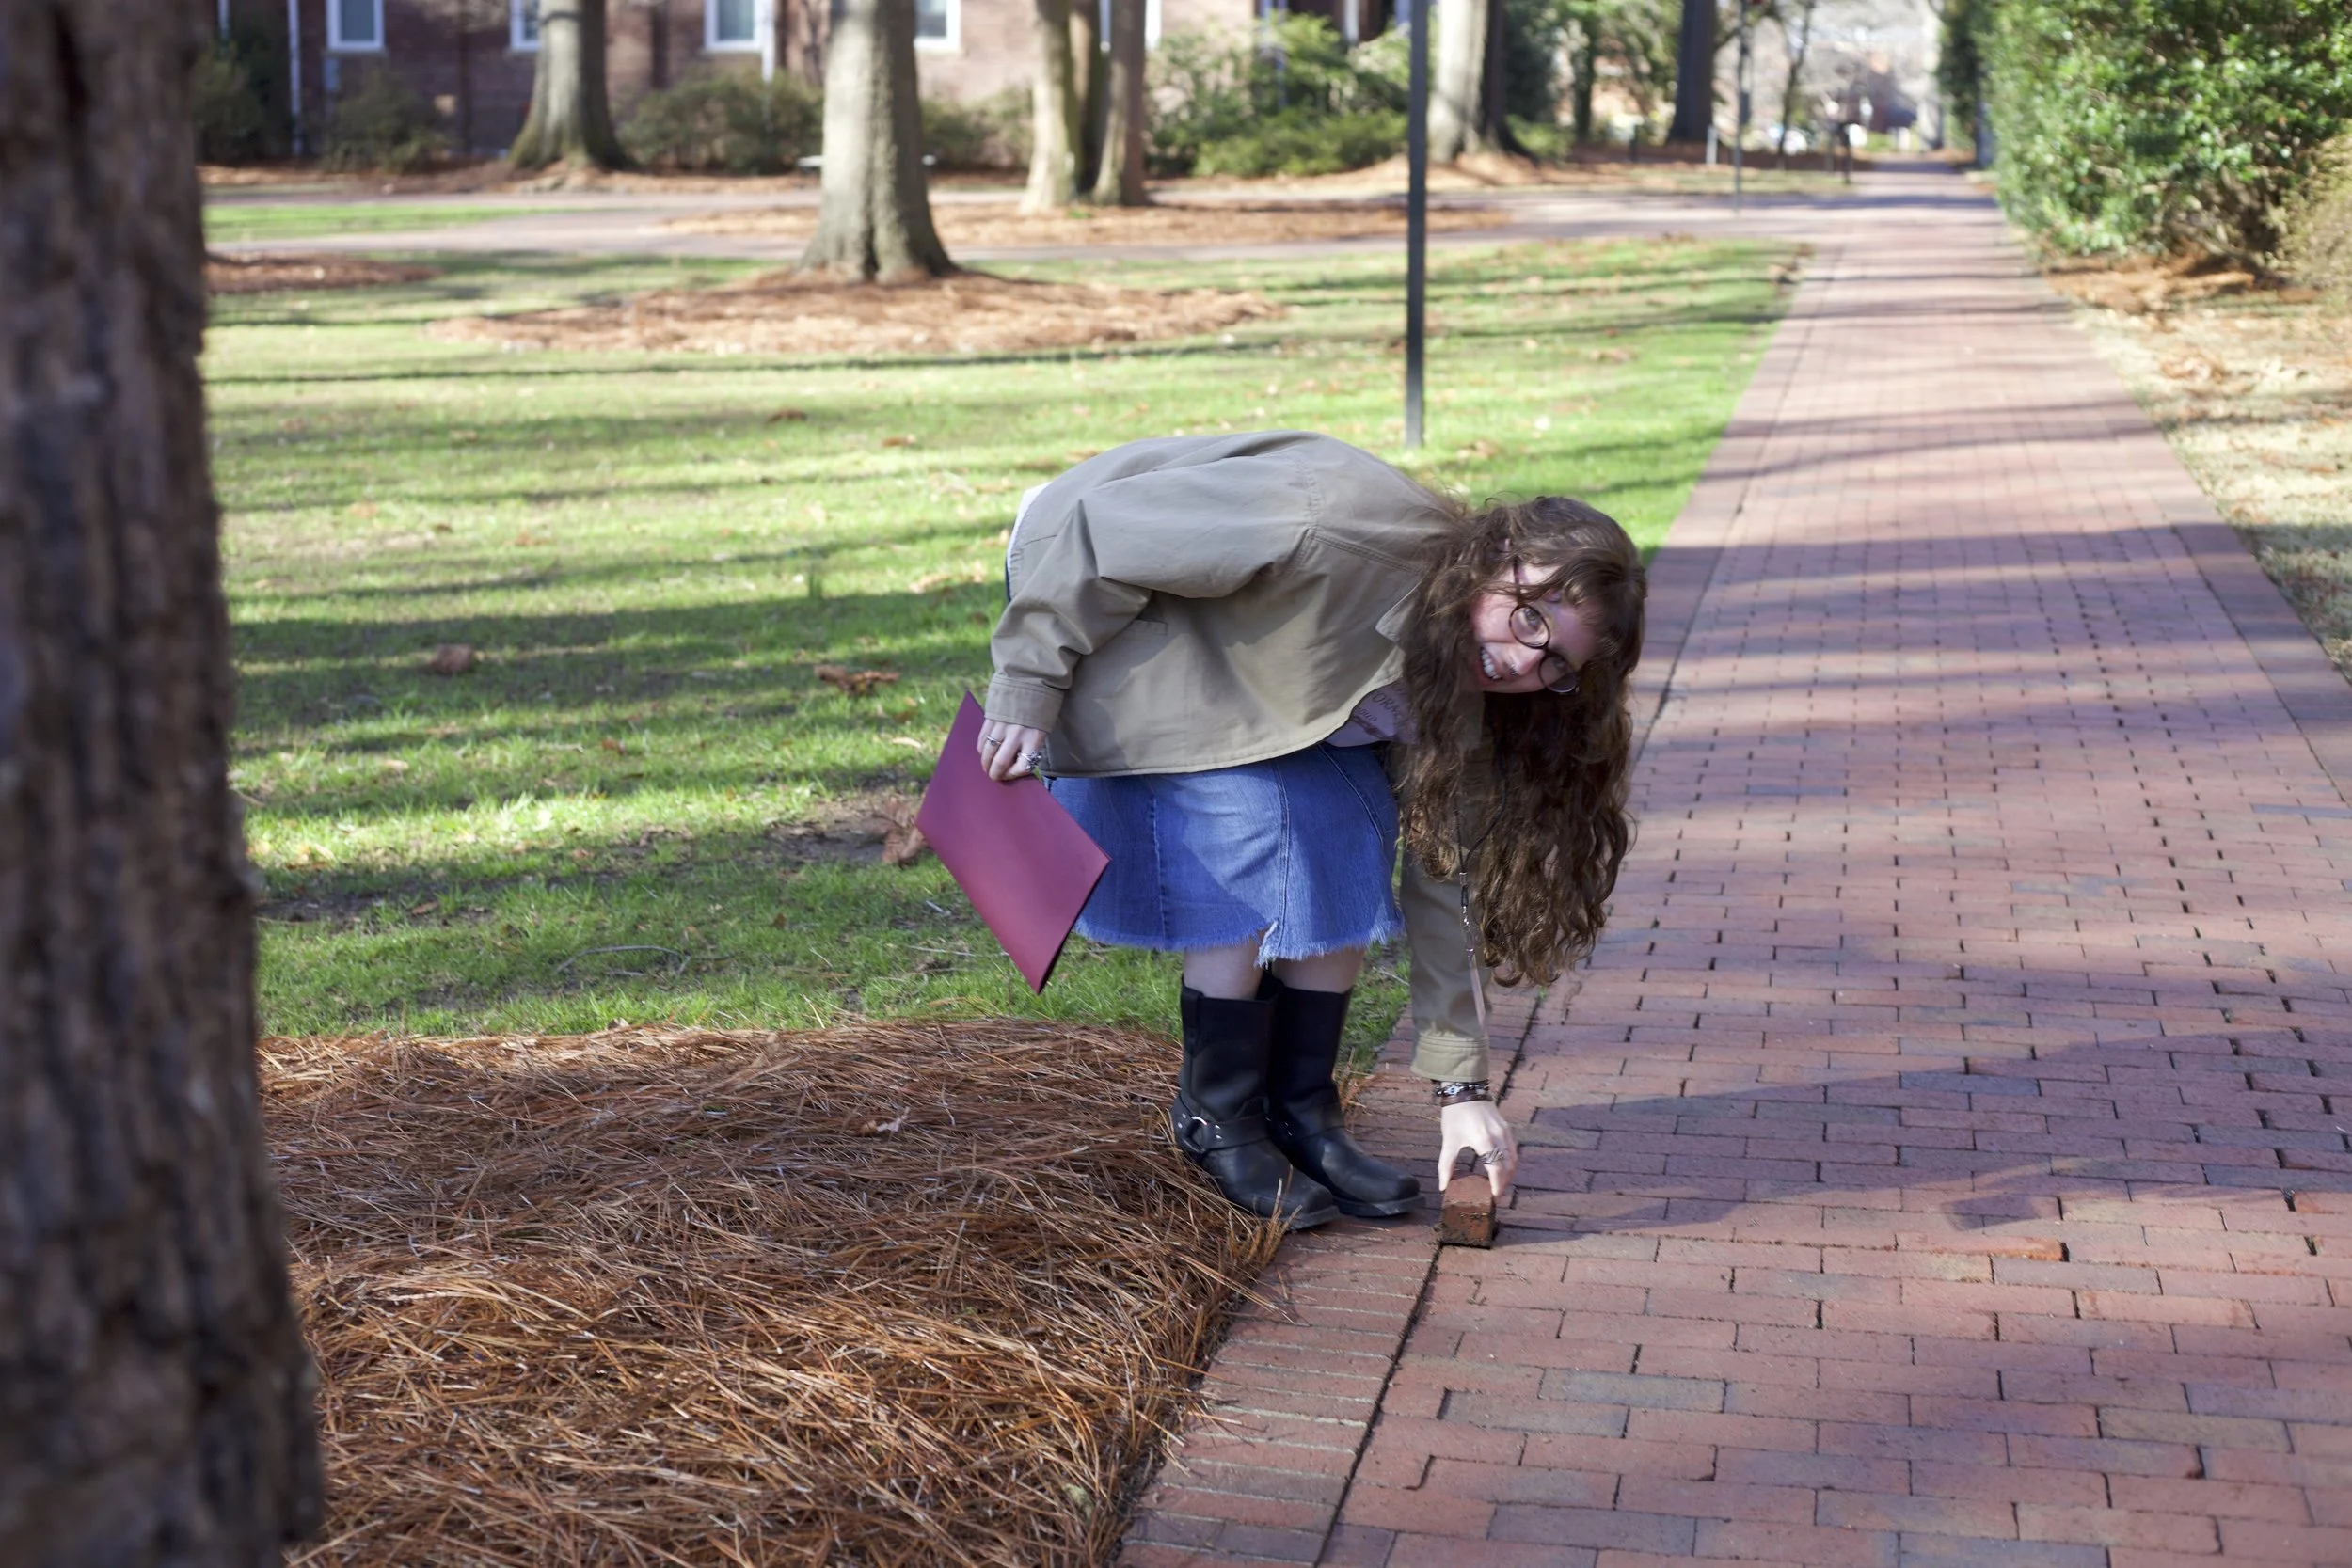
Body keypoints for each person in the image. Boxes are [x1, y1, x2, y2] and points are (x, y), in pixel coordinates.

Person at [978, 431, 1644, 1229]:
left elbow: (1443, 882)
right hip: (1084, 573)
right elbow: (1104, 534)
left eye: (1556, 666)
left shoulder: (1465, 685)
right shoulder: (1324, 527)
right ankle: (1215, 1114)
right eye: (1529, 619)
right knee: (1260, 813)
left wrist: (1462, 1092)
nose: (1519, 663)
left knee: (1354, 827)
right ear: (1496, 554)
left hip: (1252, 645)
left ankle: (1302, 1111)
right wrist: (1025, 683)